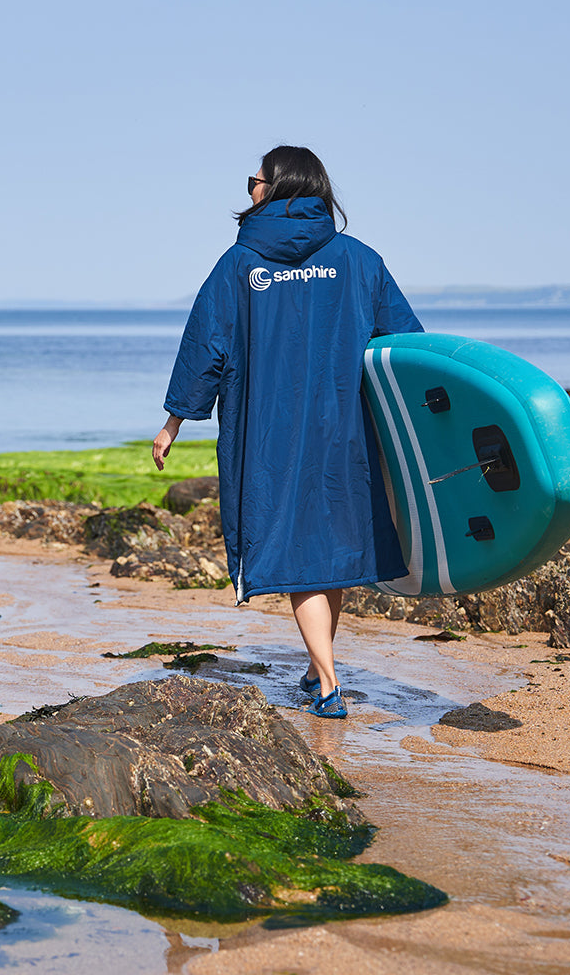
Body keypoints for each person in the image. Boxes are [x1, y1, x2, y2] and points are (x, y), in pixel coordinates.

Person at [152, 145, 423, 719]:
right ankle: (315, 662)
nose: (249, 188)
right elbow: (405, 347)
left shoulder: (240, 265)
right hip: (346, 431)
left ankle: (327, 684)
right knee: (330, 547)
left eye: (254, 179)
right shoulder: (359, 260)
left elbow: (206, 344)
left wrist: (175, 419)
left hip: (271, 433)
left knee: (302, 552)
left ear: (276, 186)